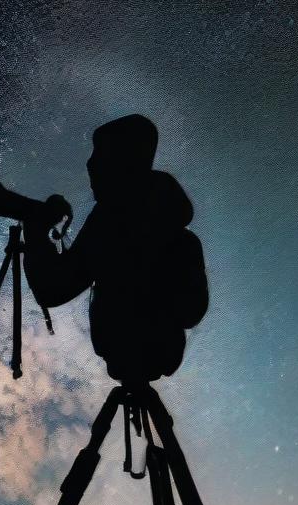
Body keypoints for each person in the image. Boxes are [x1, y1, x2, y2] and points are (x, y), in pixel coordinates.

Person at [21, 113, 208, 385]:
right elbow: (193, 311)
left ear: (121, 162)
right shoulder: (176, 229)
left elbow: (53, 288)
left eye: (99, 155)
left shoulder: (114, 216)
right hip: (162, 353)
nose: (90, 164)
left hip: (129, 351)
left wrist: (35, 229)